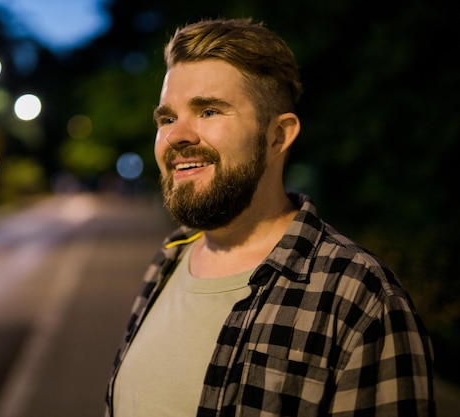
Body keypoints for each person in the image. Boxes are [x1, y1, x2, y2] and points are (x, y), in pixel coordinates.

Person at [105, 18, 435, 417]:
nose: (177, 136)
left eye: (208, 111)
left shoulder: (359, 299)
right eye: (167, 118)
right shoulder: (168, 261)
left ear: (278, 135)